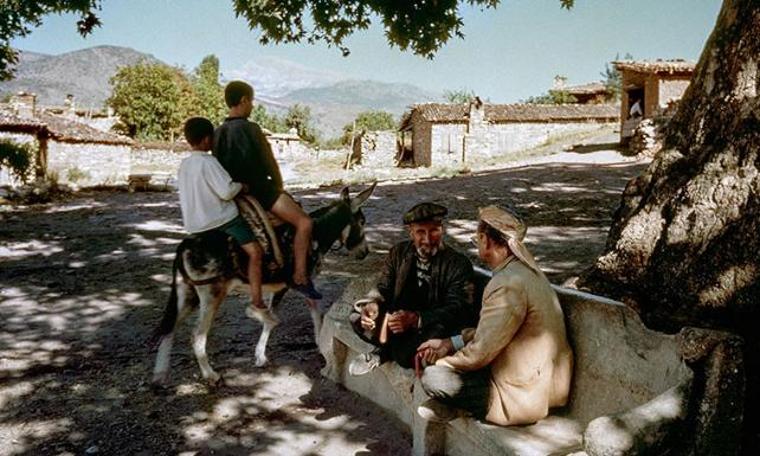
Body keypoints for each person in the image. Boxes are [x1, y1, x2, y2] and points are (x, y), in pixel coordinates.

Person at [416, 205, 573, 425]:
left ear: (485, 240)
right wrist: (449, 343)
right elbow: (492, 333)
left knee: (433, 378)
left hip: (520, 396)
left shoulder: (507, 284)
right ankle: (453, 407)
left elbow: (480, 353)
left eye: (477, 238)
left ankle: (461, 408)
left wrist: (443, 363)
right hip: (537, 384)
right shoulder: (521, 273)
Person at [213, 80, 321, 300]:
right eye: (251, 101)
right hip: (261, 191)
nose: (252, 106)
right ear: (244, 100)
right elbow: (268, 161)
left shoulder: (218, 132)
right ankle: (300, 276)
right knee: (305, 222)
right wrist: (279, 187)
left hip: (234, 193)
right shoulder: (251, 128)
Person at [348, 202, 475, 375]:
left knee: (406, 353)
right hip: (396, 321)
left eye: (434, 231)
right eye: (421, 232)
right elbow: (383, 287)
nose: (428, 239)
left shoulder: (458, 264)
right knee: (356, 318)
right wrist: (372, 305)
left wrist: (417, 319)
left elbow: (458, 310)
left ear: (442, 230)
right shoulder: (398, 252)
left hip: (431, 325)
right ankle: (390, 349)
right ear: (411, 232)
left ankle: (383, 353)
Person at [177, 117, 265, 310]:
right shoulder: (209, 162)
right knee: (256, 251)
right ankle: (257, 301)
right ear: (207, 139)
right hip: (222, 221)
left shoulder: (185, 165)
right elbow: (227, 191)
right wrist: (242, 186)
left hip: (194, 225)